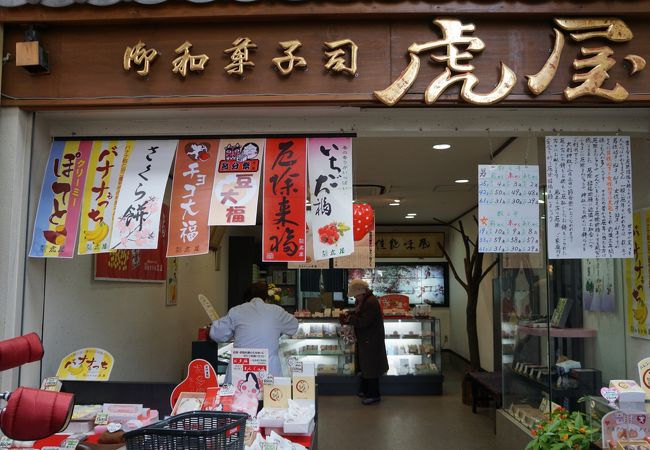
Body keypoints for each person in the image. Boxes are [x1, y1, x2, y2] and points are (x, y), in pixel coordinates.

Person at [210, 282, 299, 384]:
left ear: (246, 299)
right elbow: (294, 326)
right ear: (266, 298)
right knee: (269, 398)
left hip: (241, 367)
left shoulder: (237, 311)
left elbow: (216, 334)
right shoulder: (276, 311)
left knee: (239, 396)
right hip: (268, 369)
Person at [343, 279, 389, 405]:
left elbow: (363, 322)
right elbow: (360, 313)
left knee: (371, 367)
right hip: (367, 339)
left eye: (356, 295)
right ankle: (365, 391)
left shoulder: (371, 302)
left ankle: (374, 395)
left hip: (371, 339)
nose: (355, 298)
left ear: (361, 292)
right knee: (366, 366)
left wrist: (350, 319)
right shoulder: (365, 300)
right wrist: (351, 313)